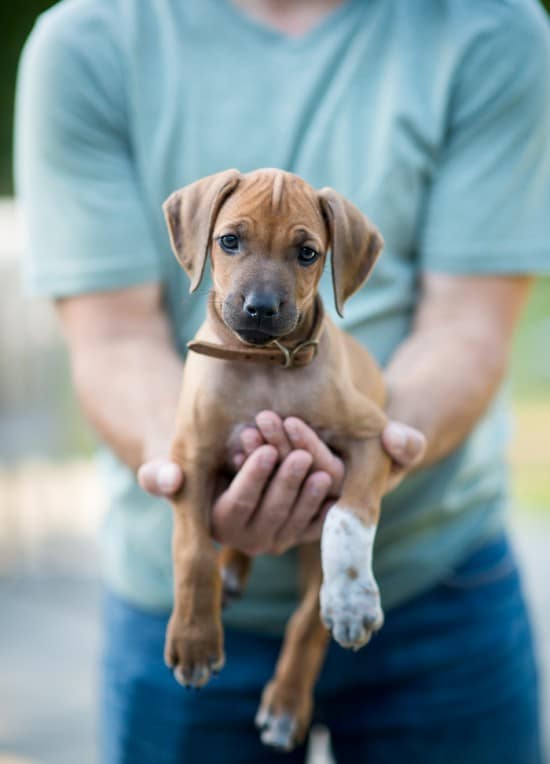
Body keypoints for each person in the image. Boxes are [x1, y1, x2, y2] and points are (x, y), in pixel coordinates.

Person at [15, 0, 550, 761]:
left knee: (323, 489)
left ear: (337, 260)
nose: (261, 294)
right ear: (199, 237)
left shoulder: (492, 26)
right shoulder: (87, 38)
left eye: (302, 257)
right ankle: (219, 576)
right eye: (233, 245)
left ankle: (304, 645)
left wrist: (381, 456)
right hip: (159, 591)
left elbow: (470, 323)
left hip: (438, 579)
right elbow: (109, 338)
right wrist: (178, 473)